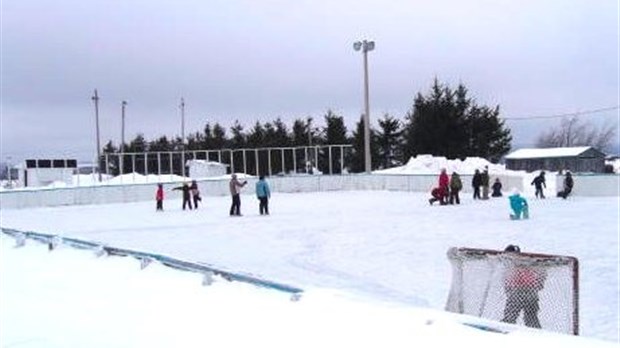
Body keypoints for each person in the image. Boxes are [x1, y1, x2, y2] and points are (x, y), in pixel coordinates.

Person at [501, 244, 546, 329]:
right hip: (528, 292)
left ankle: (504, 329)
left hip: (519, 292)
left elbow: (541, 272)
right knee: (529, 317)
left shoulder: (520, 262)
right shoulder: (511, 263)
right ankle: (536, 331)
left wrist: (539, 283)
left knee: (512, 316)